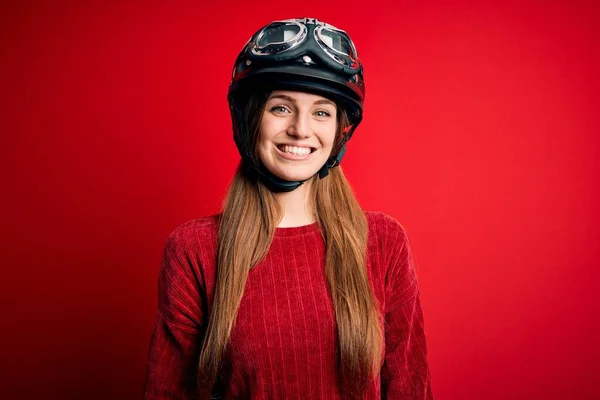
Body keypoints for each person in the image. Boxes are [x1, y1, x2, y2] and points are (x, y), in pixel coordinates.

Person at [144, 17, 433, 399]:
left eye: (321, 112)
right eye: (281, 108)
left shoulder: (383, 242)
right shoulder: (194, 249)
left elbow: (411, 388)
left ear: (339, 131)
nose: (300, 129)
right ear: (250, 121)